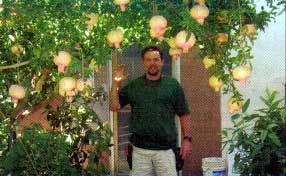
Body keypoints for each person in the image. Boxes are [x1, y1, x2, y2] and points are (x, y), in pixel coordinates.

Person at [109, 46, 192, 176]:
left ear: (162, 62)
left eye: (156, 59)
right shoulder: (135, 86)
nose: (152, 63)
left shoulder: (172, 85)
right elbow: (114, 107)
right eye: (148, 60)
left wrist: (187, 139)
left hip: (166, 151)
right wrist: (115, 84)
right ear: (143, 62)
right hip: (140, 151)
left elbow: (184, 113)